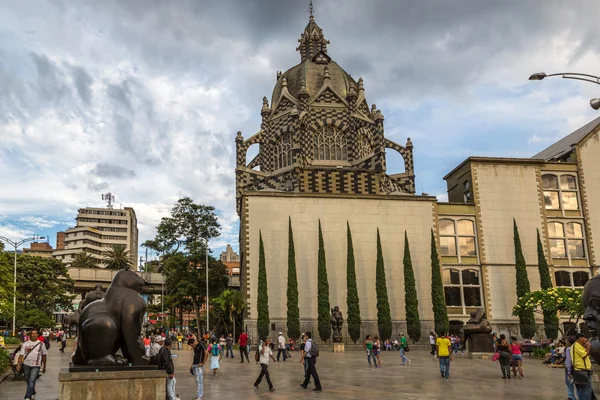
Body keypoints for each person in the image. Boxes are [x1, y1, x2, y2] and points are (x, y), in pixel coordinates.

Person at [16, 328, 47, 400]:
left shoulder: (41, 344)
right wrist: (19, 364)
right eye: (32, 333)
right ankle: (32, 392)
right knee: (27, 380)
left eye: (35, 333)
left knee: (32, 380)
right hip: (26, 364)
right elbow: (21, 355)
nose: (34, 335)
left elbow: (44, 355)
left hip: (36, 365)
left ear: (38, 335)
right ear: (30, 335)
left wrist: (44, 366)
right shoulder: (25, 344)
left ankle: (27, 396)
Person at [571, 333, 596, 399]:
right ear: (580, 338)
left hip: (581, 371)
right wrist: (588, 348)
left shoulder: (578, 346)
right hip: (582, 371)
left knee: (582, 391)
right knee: (586, 391)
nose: (586, 340)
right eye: (584, 338)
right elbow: (585, 354)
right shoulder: (576, 346)